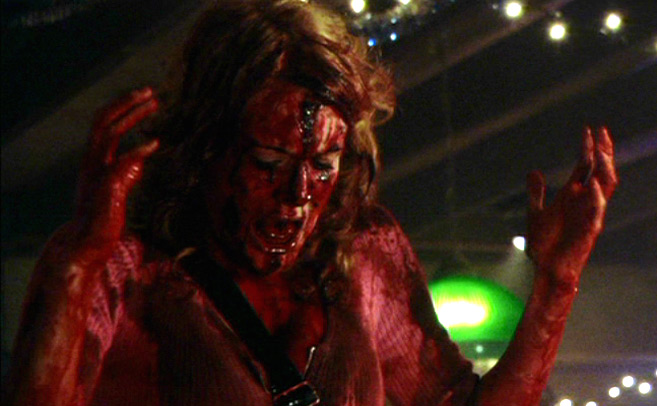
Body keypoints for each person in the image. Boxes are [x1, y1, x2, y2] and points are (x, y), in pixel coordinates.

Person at [3, 0, 617, 405]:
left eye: (323, 166)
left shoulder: (366, 255)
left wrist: (557, 283)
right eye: (269, 162)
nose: (299, 195)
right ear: (206, 146)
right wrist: (78, 263)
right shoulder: (125, 266)